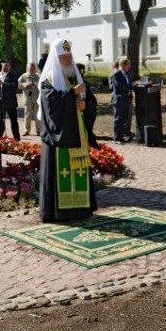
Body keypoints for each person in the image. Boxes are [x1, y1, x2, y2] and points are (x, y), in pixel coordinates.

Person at [38, 38, 99, 222]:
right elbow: (51, 106)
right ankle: (58, 211)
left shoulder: (75, 76)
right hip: (58, 139)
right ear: (56, 58)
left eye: (69, 55)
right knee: (60, 173)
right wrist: (73, 96)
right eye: (63, 57)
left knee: (78, 172)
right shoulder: (48, 81)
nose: (67, 60)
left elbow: (91, 100)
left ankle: (80, 209)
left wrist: (85, 104)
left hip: (77, 132)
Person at [0, 60, 21, 141]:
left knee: (13, 120)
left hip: (10, 101)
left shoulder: (13, 75)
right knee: (0, 120)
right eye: (4, 66)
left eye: (7, 66)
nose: (5, 67)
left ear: (9, 67)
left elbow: (14, 87)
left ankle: (16, 138)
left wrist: (2, 84)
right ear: (1, 66)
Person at [109, 57, 133, 143]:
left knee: (124, 118)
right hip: (119, 100)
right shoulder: (116, 74)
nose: (129, 67)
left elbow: (128, 84)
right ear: (123, 65)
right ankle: (117, 138)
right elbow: (119, 86)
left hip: (125, 100)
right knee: (118, 119)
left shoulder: (125, 74)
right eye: (128, 65)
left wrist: (133, 85)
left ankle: (121, 136)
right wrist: (129, 87)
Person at [18, 63, 40, 136]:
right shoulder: (24, 76)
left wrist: (38, 85)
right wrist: (26, 84)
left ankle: (39, 130)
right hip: (28, 98)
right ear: (27, 68)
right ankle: (26, 130)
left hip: (37, 98)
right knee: (27, 115)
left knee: (38, 115)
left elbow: (43, 85)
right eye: (30, 68)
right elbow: (18, 85)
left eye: (33, 68)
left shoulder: (38, 76)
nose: (32, 70)